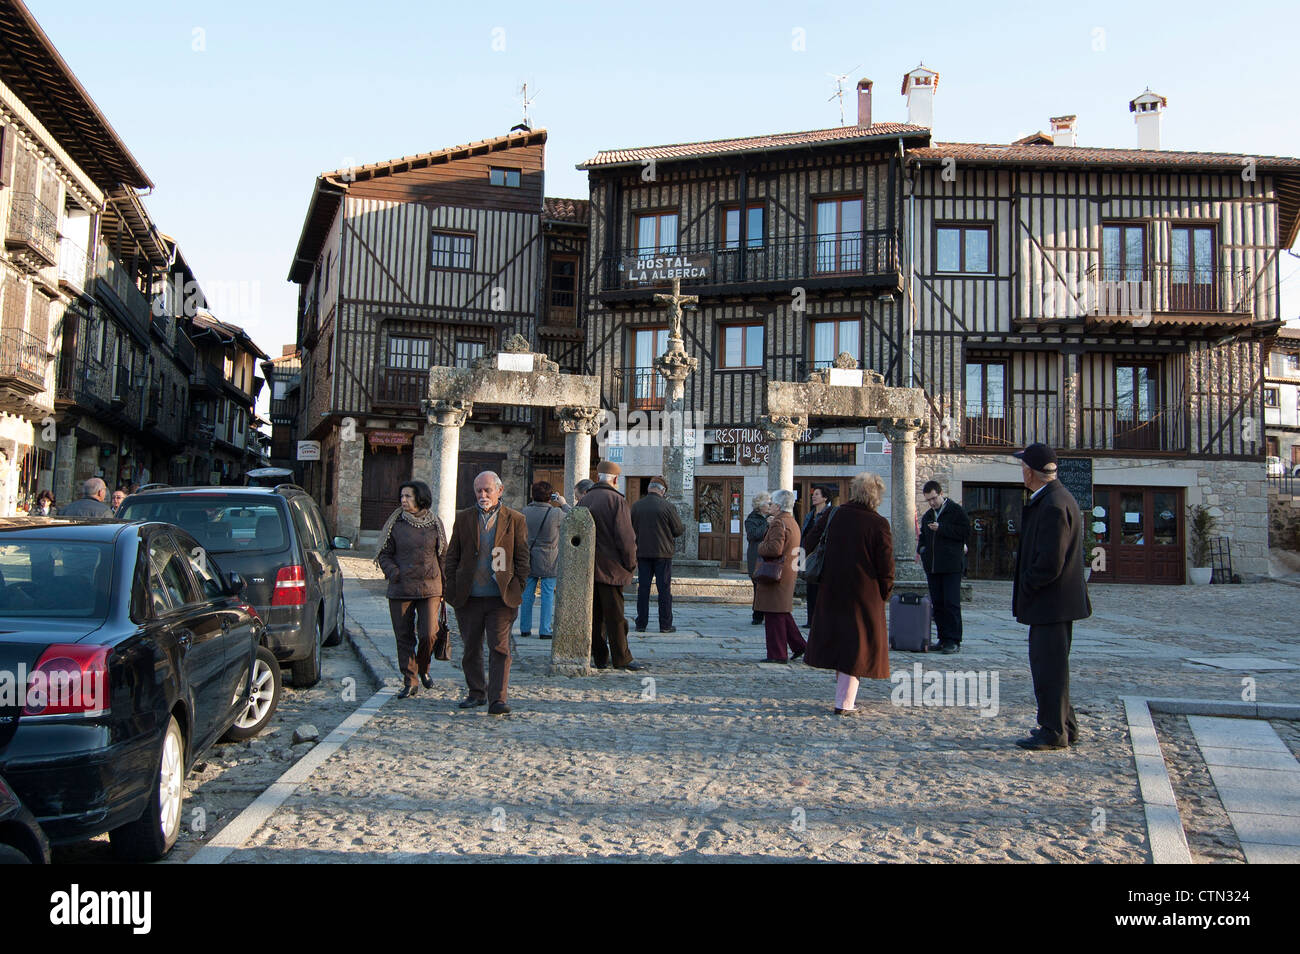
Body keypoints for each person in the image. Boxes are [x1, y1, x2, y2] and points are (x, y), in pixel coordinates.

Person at [1011, 443, 1092, 751]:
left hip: (1051, 604)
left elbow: (1049, 562)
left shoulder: (1054, 505)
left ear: (1030, 472)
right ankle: (1065, 725)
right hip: (1054, 604)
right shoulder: (1055, 498)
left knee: (1048, 669)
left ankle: (1053, 730)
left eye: (1023, 468)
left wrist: (1028, 586)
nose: (1022, 472)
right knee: (1054, 667)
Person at [805, 473, 895, 714]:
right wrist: (885, 591)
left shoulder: (834, 515)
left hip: (832, 588)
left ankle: (843, 695)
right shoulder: (878, 524)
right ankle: (844, 702)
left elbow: (809, 542)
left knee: (841, 642)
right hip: (864, 593)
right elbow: (886, 564)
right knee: (856, 648)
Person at [443, 471, 530, 715]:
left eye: (487, 490)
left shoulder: (515, 519)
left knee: (500, 648)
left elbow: (522, 557)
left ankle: (498, 699)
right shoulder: (463, 519)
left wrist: (518, 586)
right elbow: (452, 556)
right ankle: (476, 692)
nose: (482, 495)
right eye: (478, 490)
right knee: (471, 647)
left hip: (500, 598)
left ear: (499, 491)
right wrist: (452, 584)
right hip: (468, 597)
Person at [375, 480, 447, 699]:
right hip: (401, 587)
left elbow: (443, 554)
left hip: (430, 586)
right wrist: (393, 571)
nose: (403, 500)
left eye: (408, 496)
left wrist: (445, 586)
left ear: (420, 498)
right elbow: (384, 554)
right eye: (402, 496)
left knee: (429, 633)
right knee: (404, 636)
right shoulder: (394, 523)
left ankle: (423, 667)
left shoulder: (435, 523)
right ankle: (410, 680)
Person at [576, 460, 643, 671]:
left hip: (587, 569)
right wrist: (630, 564)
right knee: (615, 616)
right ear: (615, 479)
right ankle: (621, 657)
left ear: (598, 478)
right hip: (611, 569)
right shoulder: (616, 501)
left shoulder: (585, 501)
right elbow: (625, 538)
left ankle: (600, 657)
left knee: (594, 616)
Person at [916, 479, 970, 654]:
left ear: (940, 494)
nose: (932, 503)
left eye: (933, 498)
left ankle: (954, 640)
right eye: (928, 500)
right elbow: (923, 536)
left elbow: (964, 532)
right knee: (938, 603)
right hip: (933, 566)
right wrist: (922, 550)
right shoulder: (928, 515)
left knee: (951, 603)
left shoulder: (956, 511)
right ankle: (942, 637)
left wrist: (942, 528)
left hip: (951, 565)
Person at [753, 489, 807, 664]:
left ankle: (777, 653)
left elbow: (774, 549)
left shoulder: (778, 523)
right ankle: (799, 645)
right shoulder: (791, 521)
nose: (769, 506)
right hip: (786, 573)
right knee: (782, 612)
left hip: (776, 574)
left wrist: (760, 547)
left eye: (771, 503)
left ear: (777, 505)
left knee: (774, 614)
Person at [630, 476, 684, 633]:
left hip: (643, 553)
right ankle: (665, 624)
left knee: (643, 589)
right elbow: (678, 529)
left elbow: (631, 527)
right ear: (663, 491)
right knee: (664, 590)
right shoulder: (667, 506)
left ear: (649, 488)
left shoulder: (637, 506)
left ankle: (641, 623)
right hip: (663, 554)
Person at [520, 481, 571, 639]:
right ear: (550, 497)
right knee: (547, 595)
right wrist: (563, 503)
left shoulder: (525, 511)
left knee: (527, 594)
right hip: (549, 558)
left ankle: (525, 627)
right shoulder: (556, 513)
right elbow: (575, 517)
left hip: (529, 556)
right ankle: (544, 629)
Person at [800, 484, 837, 628]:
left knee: (820, 588)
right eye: (813, 494)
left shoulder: (829, 514)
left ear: (825, 498)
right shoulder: (810, 514)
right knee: (810, 586)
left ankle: (821, 619)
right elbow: (804, 535)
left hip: (821, 555)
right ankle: (811, 620)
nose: (813, 496)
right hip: (808, 555)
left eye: (817, 494)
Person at [745, 492, 771, 625]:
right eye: (767, 503)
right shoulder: (751, 519)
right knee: (757, 586)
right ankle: (757, 614)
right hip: (756, 556)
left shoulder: (772, 517)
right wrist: (766, 524)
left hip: (768, 555)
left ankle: (767, 612)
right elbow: (753, 535)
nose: (770, 505)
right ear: (760, 506)